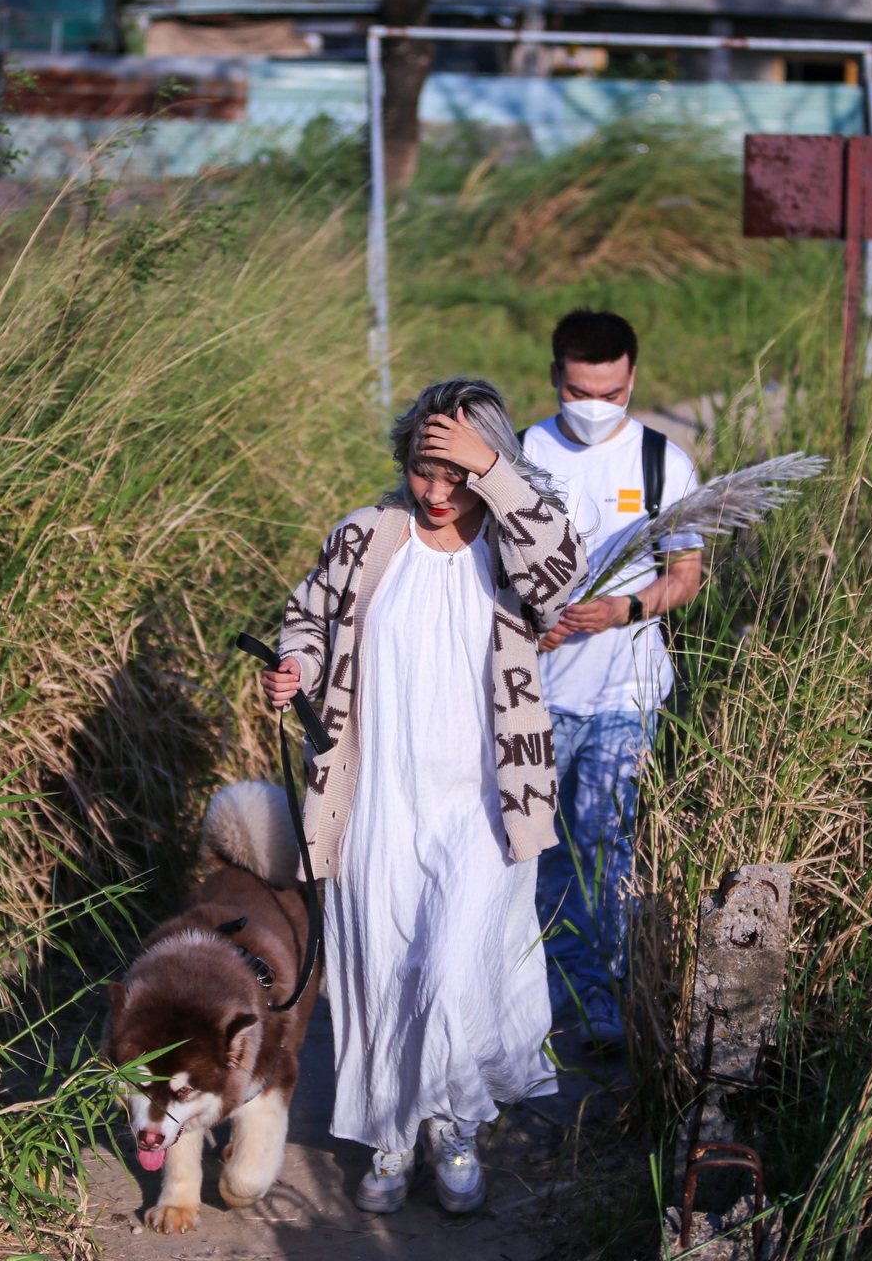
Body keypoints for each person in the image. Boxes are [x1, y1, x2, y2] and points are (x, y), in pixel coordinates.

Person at [262, 378, 587, 1217]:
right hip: (376, 798)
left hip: (486, 802)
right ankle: (391, 1132)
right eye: (421, 471)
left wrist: (493, 469)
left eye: (456, 476)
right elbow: (303, 617)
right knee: (383, 971)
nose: (437, 494)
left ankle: (453, 1124)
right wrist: (296, 665)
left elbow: (563, 577)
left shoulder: (514, 544)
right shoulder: (368, 536)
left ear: (487, 467)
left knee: (453, 970)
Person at [521, 309, 703, 1050]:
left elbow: (686, 575)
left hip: (625, 694)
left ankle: (606, 1001)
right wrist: (537, 619)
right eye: (578, 391)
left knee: (606, 844)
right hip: (533, 695)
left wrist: (625, 607)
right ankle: (545, 992)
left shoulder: (665, 463)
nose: (595, 408)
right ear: (554, 379)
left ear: (634, 380)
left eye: (613, 393)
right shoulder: (524, 453)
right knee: (533, 847)